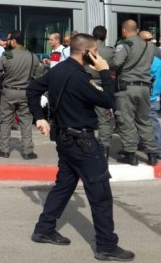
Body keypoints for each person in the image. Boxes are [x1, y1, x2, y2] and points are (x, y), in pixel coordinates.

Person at [27, 33, 135, 262]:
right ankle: (106, 245)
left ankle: (44, 229)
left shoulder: (57, 70)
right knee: (100, 194)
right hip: (84, 143)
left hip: (65, 141)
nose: (97, 55)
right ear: (86, 52)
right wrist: (105, 71)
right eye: (94, 51)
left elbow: (32, 90)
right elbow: (108, 101)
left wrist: (39, 117)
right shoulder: (79, 77)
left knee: (64, 186)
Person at [109, 19, 157, 166]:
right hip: (145, 88)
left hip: (127, 87)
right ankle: (152, 154)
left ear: (124, 30)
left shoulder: (125, 44)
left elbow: (116, 63)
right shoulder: (149, 46)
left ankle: (130, 154)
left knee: (126, 119)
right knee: (145, 119)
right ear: (136, 30)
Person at [0, 30, 42, 159]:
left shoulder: (7, 55)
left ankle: (4, 150)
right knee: (25, 121)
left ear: (14, 41)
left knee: (5, 121)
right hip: (25, 92)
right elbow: (38, 75)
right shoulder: (32, 56)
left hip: (8, 92)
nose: (7, 42)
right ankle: (27, 151)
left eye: (9, 40)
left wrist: (6, 75)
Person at [87, 26, 115, 158]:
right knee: (104, 120)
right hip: (102, 86)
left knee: (85, 117)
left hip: (87, 84)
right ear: (105, 37)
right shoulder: (110, 51)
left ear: (93, 35)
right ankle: (105, 149)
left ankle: (87, 144)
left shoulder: (86, 50)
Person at [140, 31, 161, 160]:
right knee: (149, 122)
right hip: (154, 95)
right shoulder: (157, 57)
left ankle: (157, 148)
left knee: (149, 122)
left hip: (149, 95)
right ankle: (147, 144)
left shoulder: (141, 59)